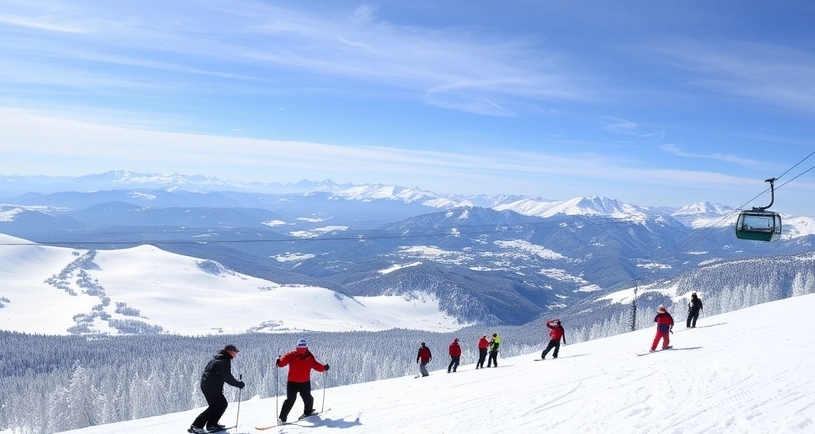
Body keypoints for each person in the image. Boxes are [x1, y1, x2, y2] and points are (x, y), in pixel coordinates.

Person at [188, 344, 245, 434]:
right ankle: (196, 426)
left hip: (209, 386)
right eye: (234, 352)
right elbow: (227, 377)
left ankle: (212, 425)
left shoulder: (219, 359)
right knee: (215, 406)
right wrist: (238, 384)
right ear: (229, 351)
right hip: (211, 387)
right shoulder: (223, 361)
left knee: (221, 404)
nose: (235, 355)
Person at [276, 338, 328, 424]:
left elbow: (281, 364)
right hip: (305, 382)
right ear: (306, 347)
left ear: (297, 346)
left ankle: (282, 418)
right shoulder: (310, 356)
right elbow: (316, 366)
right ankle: (308, 412)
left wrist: (278, 361)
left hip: (292, 382)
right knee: (308, 398)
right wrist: (324, 368)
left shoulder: (291, 355)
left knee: (290, 400)